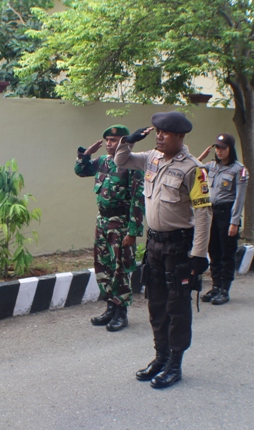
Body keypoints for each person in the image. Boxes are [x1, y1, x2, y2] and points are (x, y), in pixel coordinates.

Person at [114, 112, 211, 389]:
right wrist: (127, 141)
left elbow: (204, 213)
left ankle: (175, 364)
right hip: (154, 243)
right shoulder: (151, 158)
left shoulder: (194, 169)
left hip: (179, 245)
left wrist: (199, 254)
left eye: (165, 133)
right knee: (156, 303)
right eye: (157, 131)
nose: (158, 136)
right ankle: (160, 357)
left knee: (176, 306)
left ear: (180, 137)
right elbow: (121, 161)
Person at [74, 124, 145, 331]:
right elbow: (81, 171)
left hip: (121, 224)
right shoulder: (103, 162)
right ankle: (110, 307)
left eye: (113, 140)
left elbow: (137, 201)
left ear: (124, 142)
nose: (108, 144)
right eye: (107, 140)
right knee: (103, 265)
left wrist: (133, 232)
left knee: (120, 268)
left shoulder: (132, 164)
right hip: (102, 222)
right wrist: (84, 155)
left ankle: (121, 311)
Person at [198, 133, 248, 305]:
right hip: (212, 213)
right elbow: (192, 169)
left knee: (227, 253)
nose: (219, 151)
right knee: (214, 251)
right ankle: (216, 285)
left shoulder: (238, 170)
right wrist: (201, 157)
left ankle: (225, 289)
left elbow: (239, 198)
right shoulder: (212, 166)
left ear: (230, 149)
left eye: (223, 148)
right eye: (217, 148)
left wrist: (234, 222)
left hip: (227, 213)